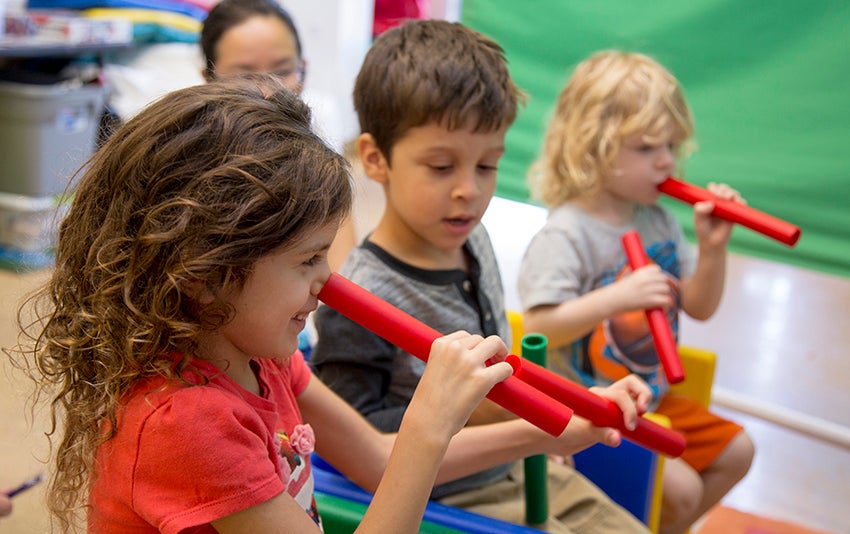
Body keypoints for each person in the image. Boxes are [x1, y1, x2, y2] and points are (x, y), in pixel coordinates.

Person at [8, 74, 650, 533]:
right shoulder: (186, 422)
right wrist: (428, 424)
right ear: (204, 275)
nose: (329, 281)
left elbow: (375, 460)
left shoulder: (258, 355)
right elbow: (404, 462)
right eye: (308, 260)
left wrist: (560, 428)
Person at [310, 20, 653, 533]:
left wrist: (540, 429)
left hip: (517, 464)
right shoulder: (361, 297)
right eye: (442, 166)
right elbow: (358, 444)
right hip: (446, 501)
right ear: (376, 159)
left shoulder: (472, 237)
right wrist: (518, 418)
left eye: (488, 166)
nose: (469, 190)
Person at [517, 50, 755, 534]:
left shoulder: (660, 220)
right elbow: (540, 326)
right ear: (592, 147)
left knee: (739, 452)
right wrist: (616, 298)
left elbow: (701, 307)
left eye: (671, 145)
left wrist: (712, 251)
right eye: (647, 148)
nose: (667, 161)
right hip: (592, 409)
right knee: (683, 490)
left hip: (654, 401)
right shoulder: (566, 234)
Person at [199, 0, 357, 274]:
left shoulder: (320, 128)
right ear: (208, 80)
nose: (269, 91)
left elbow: (345, 265)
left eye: (283, 71)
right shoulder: (189, 157)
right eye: (245, 75)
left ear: (303, 70)